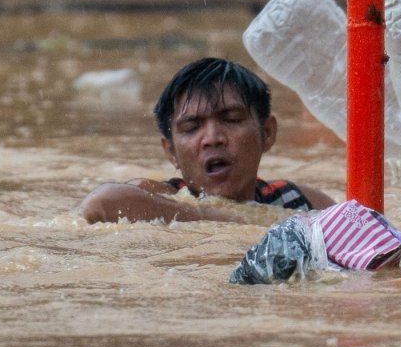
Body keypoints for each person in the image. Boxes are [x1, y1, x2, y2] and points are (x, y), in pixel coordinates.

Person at [78, 58, 335, 224]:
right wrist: (220, 217)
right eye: (191, 127)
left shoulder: (300, 202)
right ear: (171, 153)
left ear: (267, 133)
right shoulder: (164, 197)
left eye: (232, 119)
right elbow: (100, 204)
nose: (212, 139)